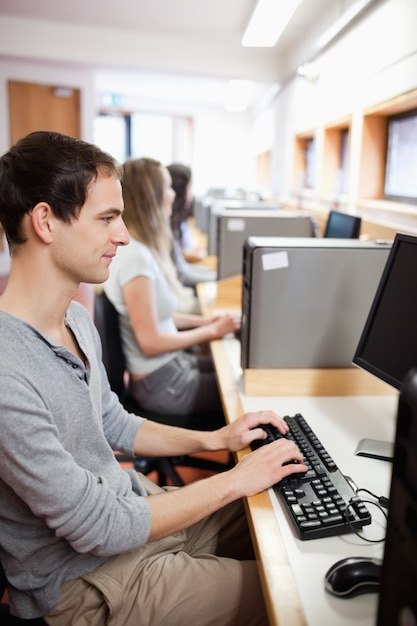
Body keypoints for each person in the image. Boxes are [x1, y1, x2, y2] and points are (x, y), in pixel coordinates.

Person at [0, 131, 307, 625]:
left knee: (286, 516)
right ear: (45, 222)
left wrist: (216, 438)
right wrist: (234, 478)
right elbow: (96, 528)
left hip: (136, 515)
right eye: (107, 219)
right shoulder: (7, 375)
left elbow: (115, 423)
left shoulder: (76, 321)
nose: (123, 235)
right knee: (299, 598)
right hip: (85, 583)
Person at [104, 157, 239, 428]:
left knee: (238, 370)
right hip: (162, 384)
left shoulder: (141, 250)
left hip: (171, 370)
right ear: (151, 197)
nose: (174, 194)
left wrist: (205, 322)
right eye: (168, 187)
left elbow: (161, 317)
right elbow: (151, 341)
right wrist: (212, 331)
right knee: (242, 392)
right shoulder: (136, 258)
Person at [167, 162, 216, 287]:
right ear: (179, 190)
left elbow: (182, 267)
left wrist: (213, 273)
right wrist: (217, 277)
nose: (191, 195)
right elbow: (181, 274)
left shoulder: (174, 223)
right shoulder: (167, 226)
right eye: (189, 188)